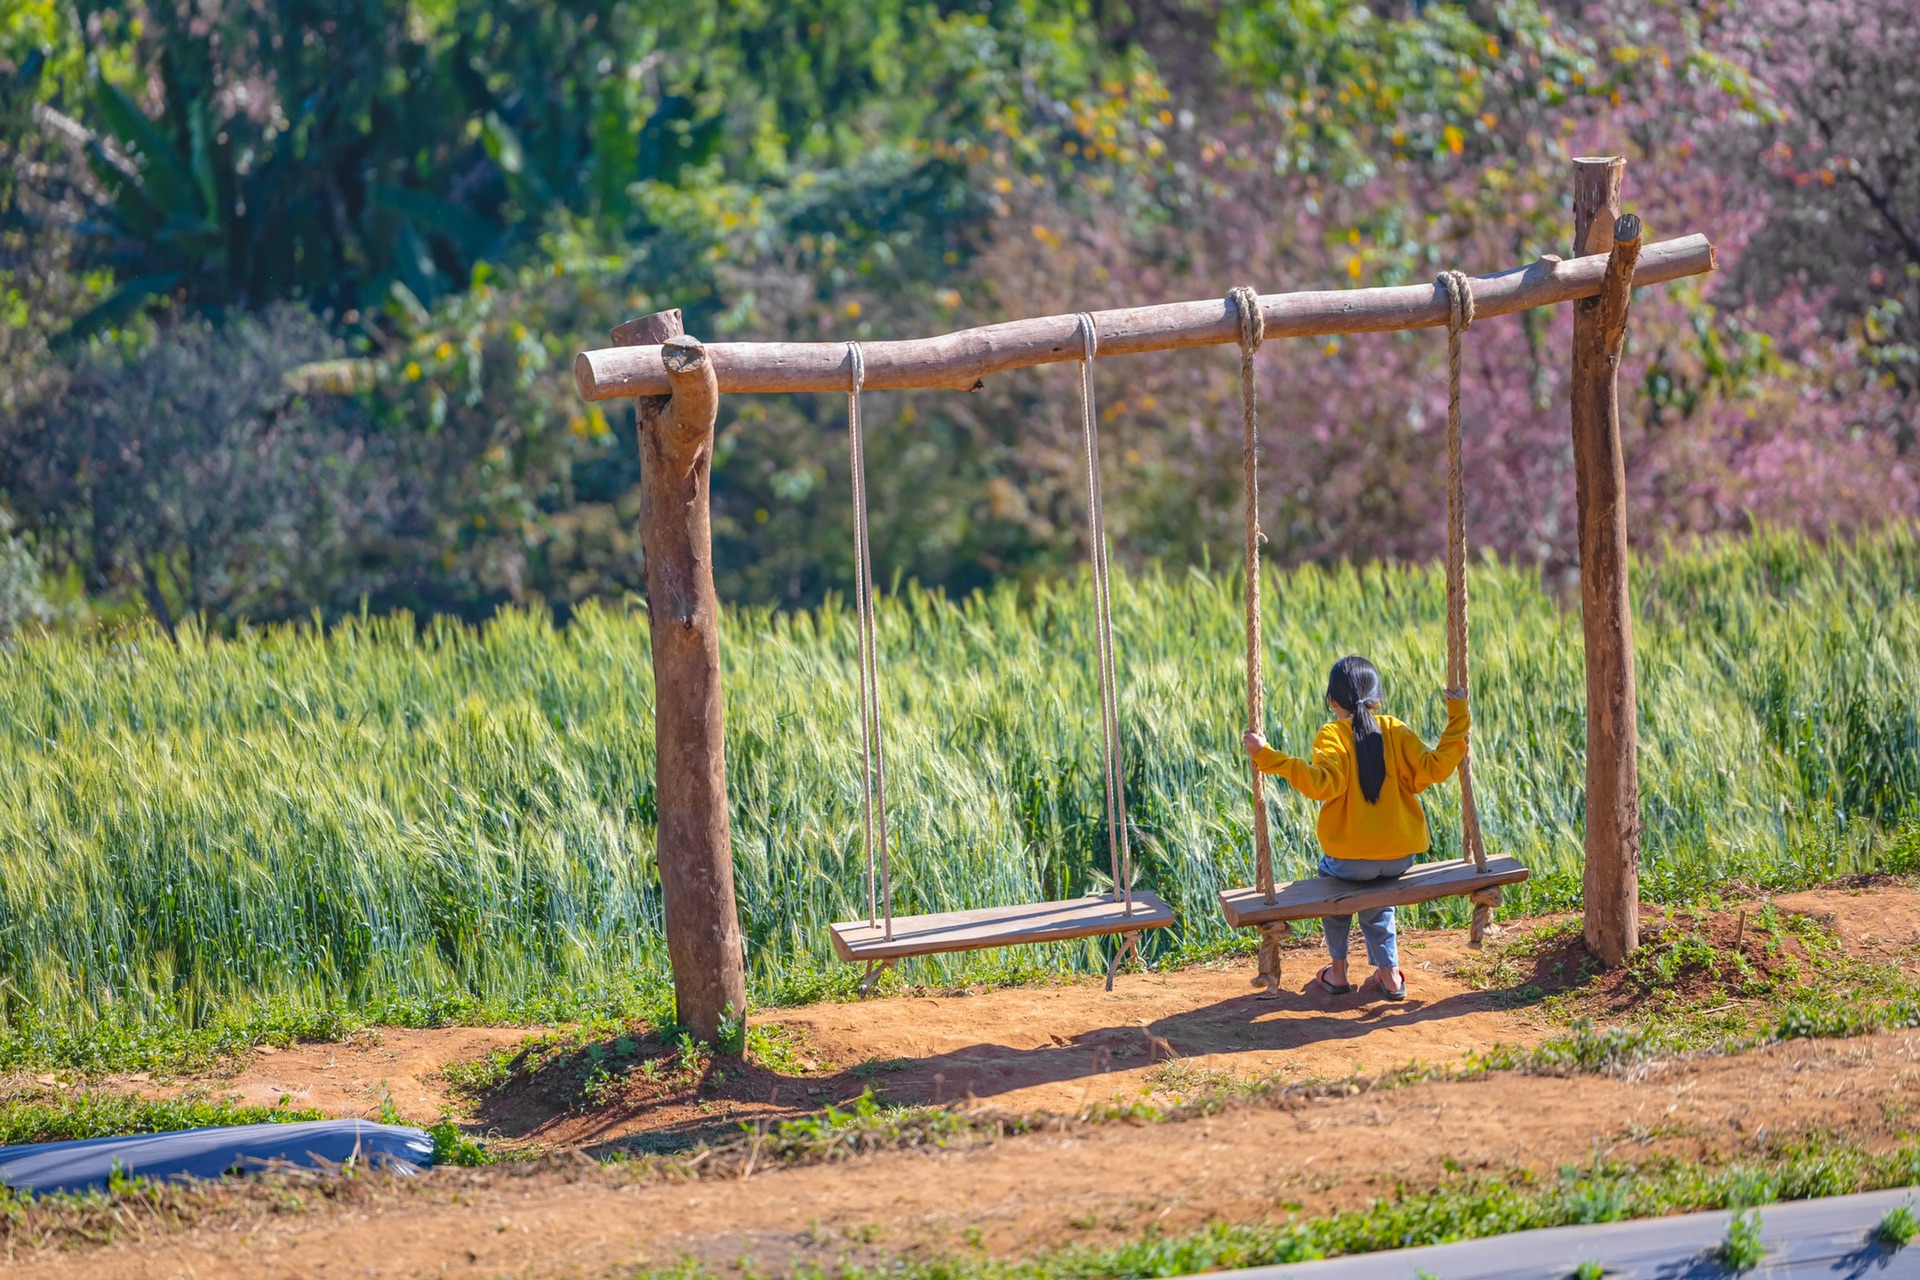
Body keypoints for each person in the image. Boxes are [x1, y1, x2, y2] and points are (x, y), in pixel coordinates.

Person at [1242, 655, 1469, 1000]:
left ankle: (1337, 972)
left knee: (1332, 882)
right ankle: (1390, 974)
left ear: (1333, 702)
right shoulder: (1395, 729)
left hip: (1348, 862)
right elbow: (1437, 767)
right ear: (1377, 699)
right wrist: (1458, 715)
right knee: (1376, 893)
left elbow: (1321, 784)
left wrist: (1267, 755)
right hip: (1399, 858)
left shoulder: (1332, 734)